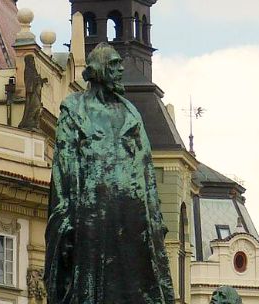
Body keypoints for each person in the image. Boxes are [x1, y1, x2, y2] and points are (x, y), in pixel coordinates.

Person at [44, 43, 175, 303]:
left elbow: (146, 166)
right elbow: (63, 165)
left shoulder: (130, 112)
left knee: (138, 287)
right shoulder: (74, 109)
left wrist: (154, 217)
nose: (119, 71)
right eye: (114, 65)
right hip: (91, 213)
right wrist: (65, 214)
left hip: (132, 214)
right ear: (99, 70)